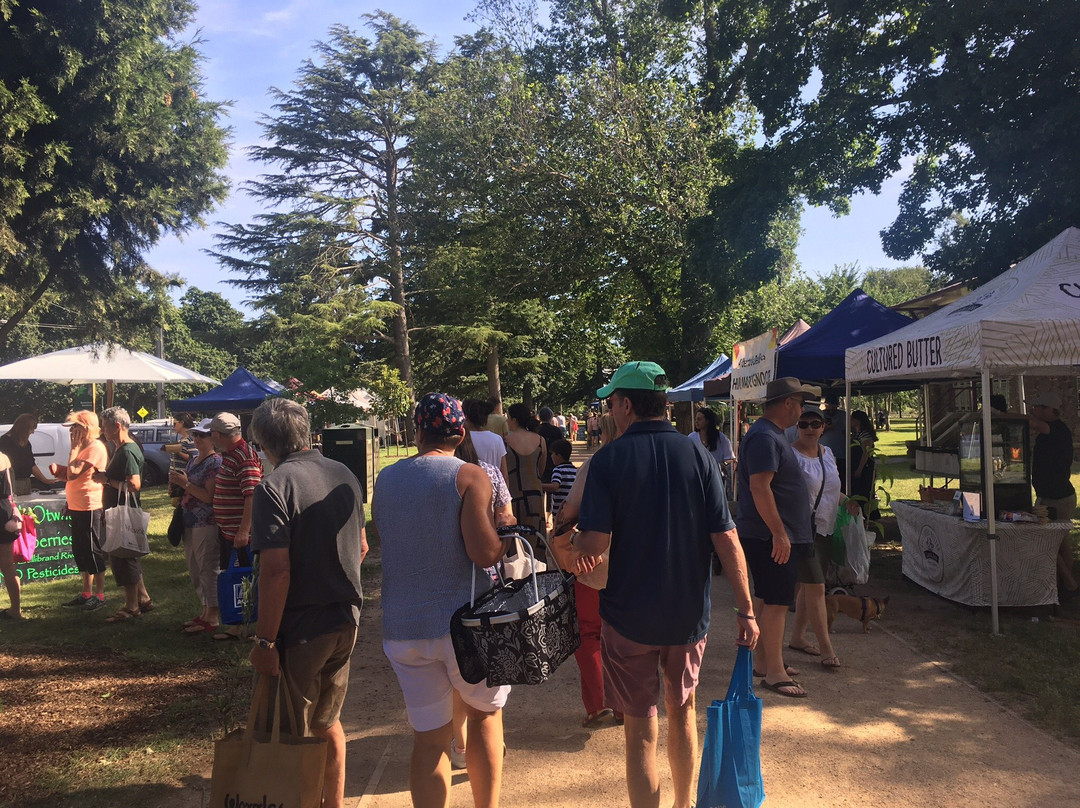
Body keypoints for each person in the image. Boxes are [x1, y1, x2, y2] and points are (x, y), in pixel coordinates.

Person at [575, 360, 758, 808]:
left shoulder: (608, 460)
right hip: (686, 615)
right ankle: (683, 805)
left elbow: (593, 543)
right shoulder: (698, 453)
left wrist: (571, 536)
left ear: (625, 405)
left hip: (627, 616)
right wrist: (746, 609)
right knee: (683, 712)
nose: (609, 411)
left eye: (611, 403)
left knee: (639, 729)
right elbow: (726, 536)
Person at [373, 393, 511, 808]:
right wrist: (506, 542)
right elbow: (483, 553)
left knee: (429, 740)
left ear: (418, 431)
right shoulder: (470, 476)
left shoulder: (387, 478)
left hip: (404, 627)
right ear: (461, 432)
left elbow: (388, 539)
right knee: (485, 720)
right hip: (465, 626)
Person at [247, 397, 367, 808]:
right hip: (345, 619)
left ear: (264, 444)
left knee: (289, 734)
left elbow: (276, 572)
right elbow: (363, 545)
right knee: (328, 722)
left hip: (302, 629)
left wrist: (264, 643)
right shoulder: (344, 473)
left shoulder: (272, 487)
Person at [735, 377, 818, 698]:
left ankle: (766, 662)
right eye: (799, 403)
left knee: (772, 600)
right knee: (777, 603)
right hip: (769, 537)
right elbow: (759, 487)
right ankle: (774, 673)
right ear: (787, 403)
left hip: (772, 535)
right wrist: (779, 533)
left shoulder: (771, 434)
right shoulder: (764, 437)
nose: (801, 410)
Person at [787, 404, 861, 669]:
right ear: (797, 427)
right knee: (817, 587)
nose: (809, 429)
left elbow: (831, 491)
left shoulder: (827, 453)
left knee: (809, 586)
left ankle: (797, 637)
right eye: (804, 424)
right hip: (803, 531)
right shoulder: (790, 455)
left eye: (814, 424)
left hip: (827, 528)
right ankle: (827, 649)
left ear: (824, 427)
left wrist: (847, 502)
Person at [95, 407, 154, 623]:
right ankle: (144, 598)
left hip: (123, 512)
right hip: (119, 510)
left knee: (123, 556)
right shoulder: (121, 448)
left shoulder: (127, 451)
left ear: (116, 426)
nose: (102, 429)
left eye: (105, 425)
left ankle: (132, 606)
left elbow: (134, 484)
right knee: (127, 554)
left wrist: (106, 481)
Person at [209, 411, 262, 638]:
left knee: (245, 580)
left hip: (240, 535)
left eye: (212, 434)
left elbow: (251, 495)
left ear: (219, 435)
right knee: (234, 578)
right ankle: (236, 624)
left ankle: (250, 625)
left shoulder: (244, 456)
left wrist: (243, 531)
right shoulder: (230, 454)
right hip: (228, 531)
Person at [169, 418, 223, 634]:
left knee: (208, 568)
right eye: (196, 434)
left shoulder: (215, 462)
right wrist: (179, 485)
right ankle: (204, 612)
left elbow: (209, 497)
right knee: (194, 568)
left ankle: (213, 616)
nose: (197, 438)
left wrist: (186, 484)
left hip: (206, 523)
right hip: (189, 521)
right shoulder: (193, 460)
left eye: (202, 435)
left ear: (213, 438)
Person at [54, 411, 109, 611]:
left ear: (86, 428)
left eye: (75, 427)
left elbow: (74, 473)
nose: (72, 431)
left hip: (89, 505)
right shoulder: (83, 448)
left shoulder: (95, 447)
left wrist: (73, 449)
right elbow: (70, 474)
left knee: (92, 550)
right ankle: (87, 592)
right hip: (76, 505)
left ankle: (100, 595)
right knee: (79, 550)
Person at [1025, 392, 1078, 596]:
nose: (1034, 410)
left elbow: (1035, 424)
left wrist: (1001, 415)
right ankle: (1065, 586)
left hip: (1057, 498)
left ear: (1050, 410)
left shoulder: (1056, 429)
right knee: (1061, 541)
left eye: (1038, 407)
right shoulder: (1056, 430)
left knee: (1046, 541)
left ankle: (1069, 582)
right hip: (1054, 495)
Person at [504, 402, 547, 548]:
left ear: (514, 419)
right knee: (536, 536)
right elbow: (541, 469)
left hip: (513, 493)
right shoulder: (540, 440)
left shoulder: (505, 441)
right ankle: (538, 568)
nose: (506, 421)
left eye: (508, 417)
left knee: (515, 539)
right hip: (535, 492)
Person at [0, 414, 60, 495]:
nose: (33, 432)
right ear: (24, 428)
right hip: (10, 483)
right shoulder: (4, 442)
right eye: (31, 429)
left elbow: (31, 464)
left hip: (25, 482)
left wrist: (45, 480)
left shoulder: (27, 444)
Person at [1, 451, 24, 619]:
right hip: (5, 511)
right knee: (8, 565)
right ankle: (16, 609)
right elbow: (10, 489)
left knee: (8, 566)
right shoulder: (4, 457)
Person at [462, 398, 508, 482]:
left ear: (466, 417)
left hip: (470, 488)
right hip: (494, 487)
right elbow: (504, 473)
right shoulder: (497, 439)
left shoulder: (463, 439)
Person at [849, 409, 877, 516]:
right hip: (856, 464)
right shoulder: (856, 433)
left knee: (864, 491)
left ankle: (868, 515)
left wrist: (859, 469)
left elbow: (866, 453)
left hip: (865, 466)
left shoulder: (865, 434)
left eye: (853, 418)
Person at [163, 412, 197, 504]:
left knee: (182, 505)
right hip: (176, 480)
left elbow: (193, 459)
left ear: (182, 423)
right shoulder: (181, 439)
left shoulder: (190, 439)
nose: (174, 426)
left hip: (184, 479)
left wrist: (177, 451)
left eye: (175, 423)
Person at [542, 438, 576, 521]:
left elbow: (555, 486)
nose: (551, 456)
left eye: (552, 454)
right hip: (573, 511)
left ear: (558, 456)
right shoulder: (575, 470)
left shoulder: (558, 470)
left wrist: (538, 485)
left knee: (558, 533)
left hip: (559, 512)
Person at [820, 394, 848, 488]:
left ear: (837, 405)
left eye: (833, 405)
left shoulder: (844, 415)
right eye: (829, 405)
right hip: (823, 455)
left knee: (842, 480)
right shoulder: (820, 415)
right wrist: (825, 429)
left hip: (841, 454)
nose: (831, 408)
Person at [537, 406, 565, 485]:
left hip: (538, 460)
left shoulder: (537, 429)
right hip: (554, 460)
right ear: (551, 417)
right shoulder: (556, 430)